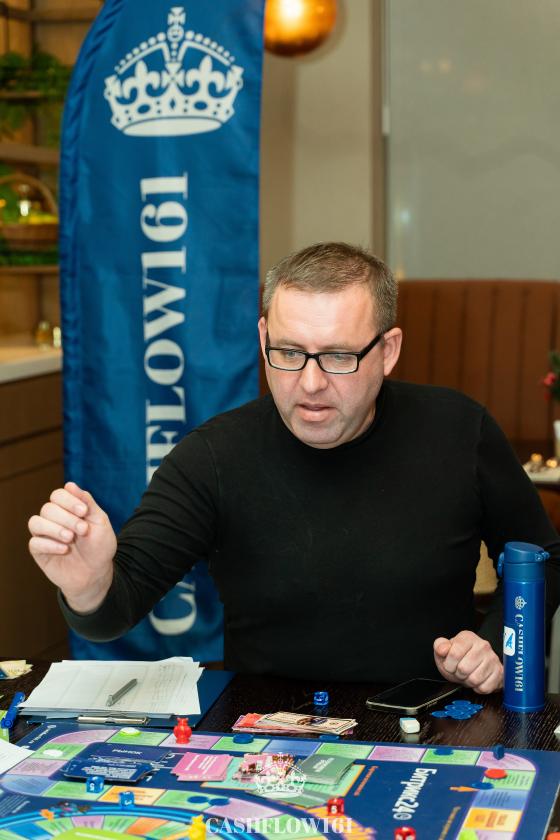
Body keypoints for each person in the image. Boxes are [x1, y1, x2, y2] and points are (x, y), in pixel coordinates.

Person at [28, 242, 560, 691]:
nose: (310, 383)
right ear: (263, 339)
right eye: (288, 352)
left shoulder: (458, 430)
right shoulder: (213, 456)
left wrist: (498, 643)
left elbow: (546, 557)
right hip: (263, 732)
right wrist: (89, 586)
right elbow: (116, 610)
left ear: (388, 350)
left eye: (338, 356)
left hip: (432, 716)